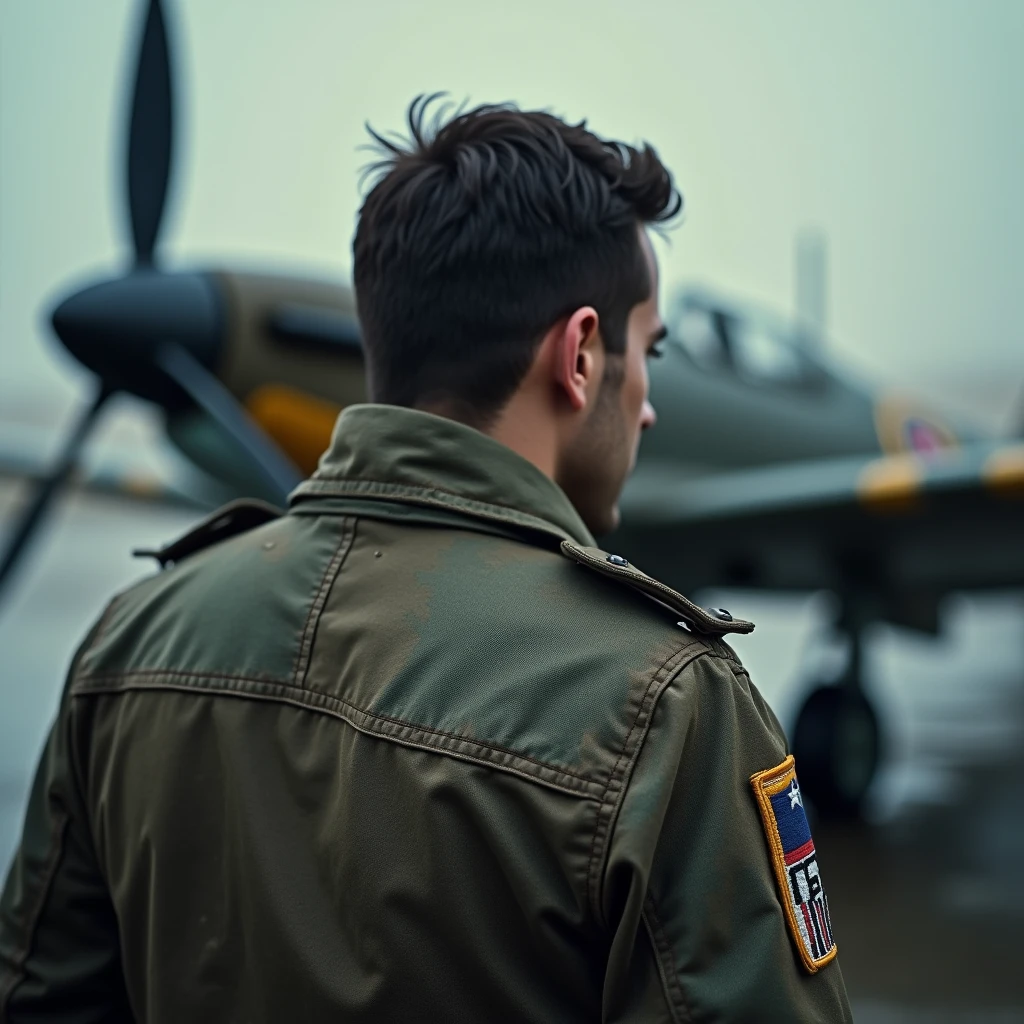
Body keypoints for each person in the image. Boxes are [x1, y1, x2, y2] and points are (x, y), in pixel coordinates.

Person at [0, 96, 852, 1022]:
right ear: (580, 355)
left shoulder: (129, 642)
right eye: (645, 352)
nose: (646, 405)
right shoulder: (668, 705)